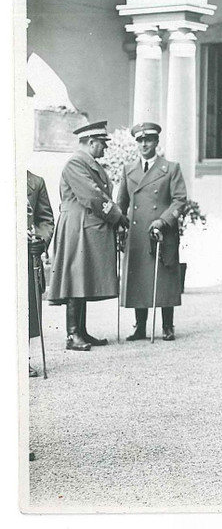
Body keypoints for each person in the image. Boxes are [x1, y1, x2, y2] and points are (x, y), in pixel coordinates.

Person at [48, 121, 128, 351]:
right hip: (78, 226)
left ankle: (80, 331)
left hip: (86, 225)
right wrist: (117, 215)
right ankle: (73, 335)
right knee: (76, 277)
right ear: (91, 142)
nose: (105, 148)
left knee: (81, 277)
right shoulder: (76, 163)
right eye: (102, 144)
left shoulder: (87, 163)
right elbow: (92, 196)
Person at [117, 123, 188, 342]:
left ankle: (167, 326)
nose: (144, 144)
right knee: (140, 277)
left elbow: (179, 200)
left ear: (156, 142)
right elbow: (122, 202)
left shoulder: (171, 168)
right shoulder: (129, 170)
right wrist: (120, 224)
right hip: (138, 234)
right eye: (139, 140)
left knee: (164, 277)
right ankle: (140, 327)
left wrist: (163, 220)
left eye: (148, 140)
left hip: (162, 231)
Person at [28, 170, 54, 376]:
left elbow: (45, 219)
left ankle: (21, 356)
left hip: (25, 255)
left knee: (24, 306)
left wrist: (41, 240)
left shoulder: (35, 182)